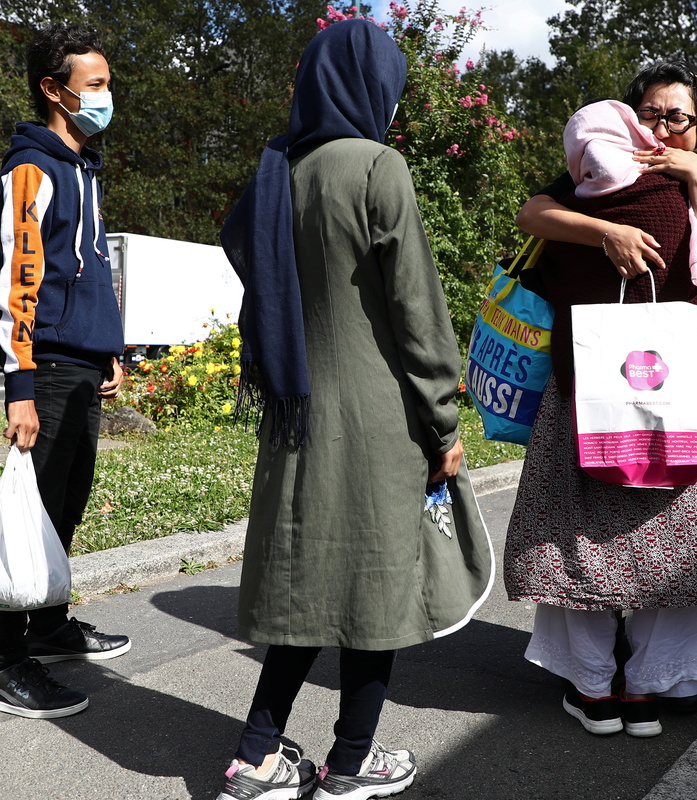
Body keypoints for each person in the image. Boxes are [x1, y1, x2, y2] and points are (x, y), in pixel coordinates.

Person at [215, 19, 494, 800]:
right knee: (376, 586)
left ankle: (255, 759)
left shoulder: (277, 171)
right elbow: (417, 311)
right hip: (377, 418)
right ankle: (349, 763)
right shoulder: (377, 166)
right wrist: (444, 423)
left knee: (306, 585)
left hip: (294, 415)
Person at [504, 61, 697, 738]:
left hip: (694, 372)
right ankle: (591, 681)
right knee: (580, 526)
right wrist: (604, 231)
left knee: (691, 527)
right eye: (650, 114)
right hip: (593, 371)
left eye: (677, 118)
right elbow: (532, 214)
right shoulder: (595, 169)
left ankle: (658, 678)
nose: (662, 129)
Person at [0, 23, 129, 719]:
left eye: (106, 83)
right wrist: (20, 389)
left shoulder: (82, 166)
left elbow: (86, 269)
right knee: (28, 513)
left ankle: (49, 627)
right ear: (53, 89)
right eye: (94, 84)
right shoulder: (32, 169)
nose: (105, 96)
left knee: (64, 507)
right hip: (47, 368)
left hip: (81, 363)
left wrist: (107, 350)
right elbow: (19, 283)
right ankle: (4, 665)